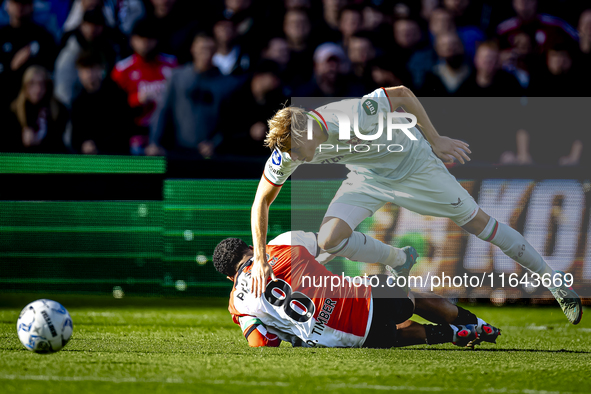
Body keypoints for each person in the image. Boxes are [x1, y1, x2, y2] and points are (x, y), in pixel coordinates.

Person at [248, 85, 583, 326]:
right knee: (329, 239)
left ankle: (554, 282)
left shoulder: (349, 116)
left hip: (415, 165)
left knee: (479, 224)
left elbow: (403, 95)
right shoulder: (289, 149)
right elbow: (261, 200)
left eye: (294, 150)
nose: (290, 158)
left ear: (307, 133)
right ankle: (400, 258)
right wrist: (261, 258)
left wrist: (436, 140)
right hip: (368, 176)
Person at [213, 231, 501, 348]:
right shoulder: (282, 242)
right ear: (250, 247)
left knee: (393, 333)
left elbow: (261, 344)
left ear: (230, 277)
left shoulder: (237, 303)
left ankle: (452, 335)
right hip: (362, 298)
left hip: (337, 336)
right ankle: (475, 323)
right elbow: (334, 243)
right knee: (411, 298)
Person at [146, 33, 240, 159]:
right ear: (193, 49)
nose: (205, 53)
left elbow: (230, 121)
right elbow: (162, 111)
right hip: (177, 150)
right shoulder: (177, 77)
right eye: (202, 48)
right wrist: (154, 142)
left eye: (209, 49)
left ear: (215, 50)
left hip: (210, 153)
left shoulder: (226, 83)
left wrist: (215, 143)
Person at [111, 17, 177, 155]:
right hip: (133, 132)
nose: (145, 43)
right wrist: (136, 100)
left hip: (168, 133)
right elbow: (113, 106)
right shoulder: (122, 69)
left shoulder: (172, 65)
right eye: (140, 38)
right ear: (132, 40)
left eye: (149, 39)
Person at [70, 51, 131, 155]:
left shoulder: (116, 95)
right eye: (84, 69)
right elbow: (75, 137)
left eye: (93, 68)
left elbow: (122, 129)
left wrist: (98, 145)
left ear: (102, 69)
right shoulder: (78, 102)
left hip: (115, 157)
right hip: (88, 160)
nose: (89, 74)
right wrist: (83, 145)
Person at [0, 0, 57, 106]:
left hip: (38, 101)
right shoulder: (2, 35)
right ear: (7, 5)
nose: (19, 7)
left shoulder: (43, 37)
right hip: (7, 101)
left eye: (24, 3)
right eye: (15, 3)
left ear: (31, 6)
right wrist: (12, 66)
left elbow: (51, 71)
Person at [4, 65, 67, 153]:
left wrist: (40, 141)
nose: (37, 89)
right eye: (32, 83)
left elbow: (59, 144)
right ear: (25, 86)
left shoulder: (58, 109)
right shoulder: (13, 111)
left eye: (41, 83)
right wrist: (21, 140)